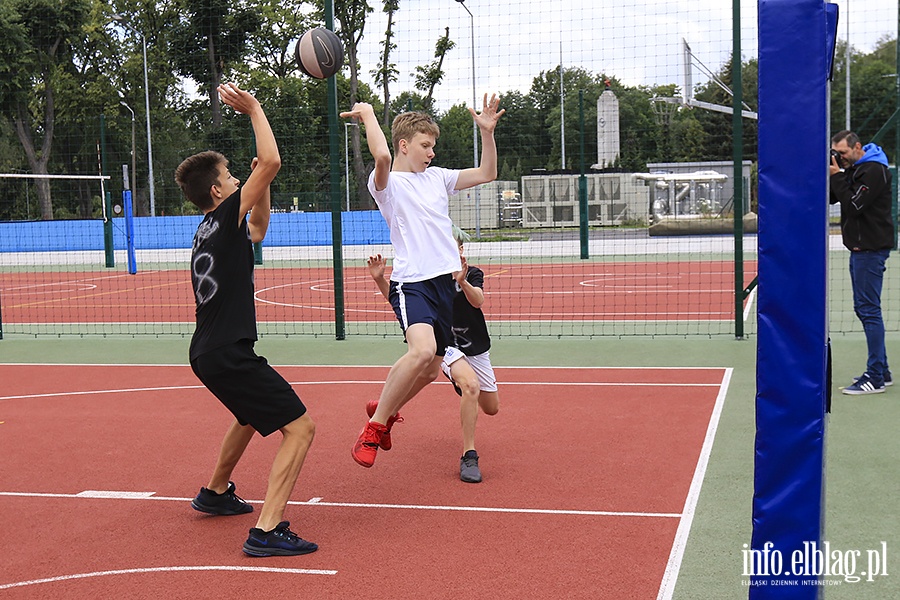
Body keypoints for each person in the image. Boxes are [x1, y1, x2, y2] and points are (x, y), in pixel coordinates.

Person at [175, 82, 317, 556]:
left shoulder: (207, 227)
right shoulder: (224, 212)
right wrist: (255, 109)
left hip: (207, 351)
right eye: (233, 176)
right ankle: (268, 530)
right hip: (226, 352)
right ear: (217, 190)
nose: (239, 179)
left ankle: (215, 493)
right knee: (299, 428)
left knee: (247, 415)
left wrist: (263, 184)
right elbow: (272, 160)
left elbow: (258, 228)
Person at [341, 95, 504, 468]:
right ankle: (376, 425)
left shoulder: (438, 178)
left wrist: (487, 134)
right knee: (421, 352)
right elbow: (381, 157)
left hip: (442, 286)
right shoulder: (387, 185)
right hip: (411, 282)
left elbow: (487, 173)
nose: (431, 152)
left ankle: (387, 404)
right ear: (404, 144)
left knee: (430, 368)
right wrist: (367, 114)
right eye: (425, 145)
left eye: (433, 146)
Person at [366, 226, 500, 483]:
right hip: (446, 345)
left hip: (475, 345)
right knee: (470, 386)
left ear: (460, 250)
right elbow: (401, 304)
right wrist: (380, 279)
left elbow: (478, 300)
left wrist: (461, 280)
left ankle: (388, 410)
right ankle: (469, 455)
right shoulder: (426, 279)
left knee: (491, 408)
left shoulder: (472, 273)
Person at [830, 130, 895, 395]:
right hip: (860, 249)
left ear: (857, 147)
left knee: (869, 310)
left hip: (870, 249)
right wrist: (837, 175)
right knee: (865, 308)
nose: (840, 158)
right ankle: (883, 370)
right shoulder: (856, 168)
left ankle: (876, 377)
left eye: (843, 153)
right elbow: (835, 197)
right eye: (837, 153)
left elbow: (855, 204)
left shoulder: (873, 171)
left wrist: (838, 176)